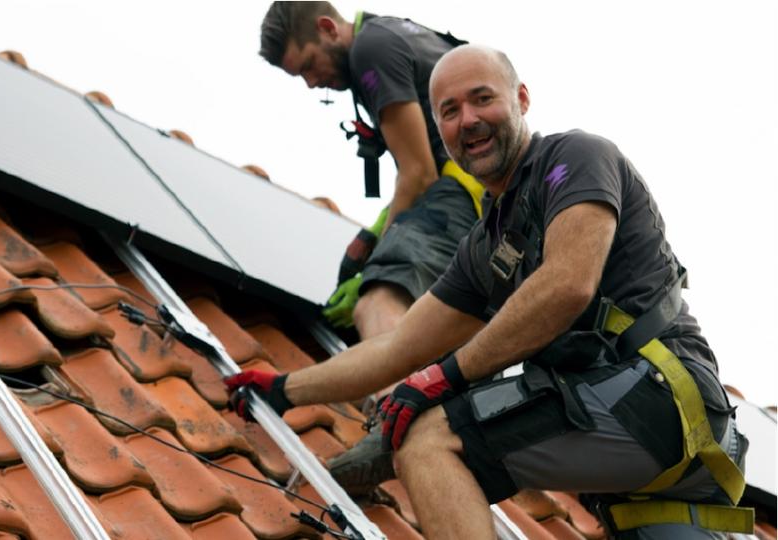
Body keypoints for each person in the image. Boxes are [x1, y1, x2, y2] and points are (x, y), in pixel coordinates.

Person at [226, 45, 750, 539]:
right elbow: (398, 347)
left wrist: (444, 375)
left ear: (520, 98)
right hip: (648, 470)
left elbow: (567, 284)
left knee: (429, 441)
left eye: (482, 98)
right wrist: (286, 388)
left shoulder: (573, 159)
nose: (468, 120)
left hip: (659, 398)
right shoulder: (485, 248)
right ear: (439, 128)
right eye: (449, 111)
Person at [259, 2, 484, 341]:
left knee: (379, 301)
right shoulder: (387, 34)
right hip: (478, 196)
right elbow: (424, 167)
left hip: (465, 193)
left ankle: (394, 394)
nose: (310, 83)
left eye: (308, 65)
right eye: (300, 76)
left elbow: (419, 175)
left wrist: (374, 268)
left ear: (328, 28)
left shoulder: (370, 49)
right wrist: (374, 233)